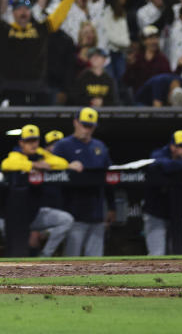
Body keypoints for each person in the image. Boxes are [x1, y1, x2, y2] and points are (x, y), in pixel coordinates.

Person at [0, 124, 79, 257]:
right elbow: (6, 164)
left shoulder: (41, 154)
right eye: (28, 141)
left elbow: (61, 162)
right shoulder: (16, 155)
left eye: (35, 140)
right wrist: (32, 165)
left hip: (33, 213)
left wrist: (46, 165)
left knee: (66, 219)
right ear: (21, 143)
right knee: (17, 252)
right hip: (11, 217)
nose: (32, 144)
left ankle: (45, 255)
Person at [52, 108, 114, 256]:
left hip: (97, 212)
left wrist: (111, 206)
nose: (87, 130)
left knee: (96, 260)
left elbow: (109, 177)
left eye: (90, 126)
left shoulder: (99, 146)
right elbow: (51, 173)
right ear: (75, 123)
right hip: (73, 212)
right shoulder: (63, 145)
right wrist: (66, 166)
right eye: (84, 125)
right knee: (71, 258)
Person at [142, 130, 182, 255]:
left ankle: (179, 275)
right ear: (173, 147)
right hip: (156, 212)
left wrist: (180, 166)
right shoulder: (160, 153)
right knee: (157, 253)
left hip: (177, 213)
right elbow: (162, 165)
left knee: (179, 252)